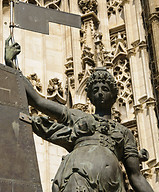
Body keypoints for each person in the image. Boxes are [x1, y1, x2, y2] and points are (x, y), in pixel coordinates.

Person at [5, 36, 154, 192]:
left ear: (114, 94)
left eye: (105, 89)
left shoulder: (124, 133)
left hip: (109, 183)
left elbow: (136, 177)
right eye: (95, 90)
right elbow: (38, 101)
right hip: (72, 175)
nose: (100, 93)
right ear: (89, 96)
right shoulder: (77, 116)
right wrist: (12, 68)